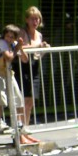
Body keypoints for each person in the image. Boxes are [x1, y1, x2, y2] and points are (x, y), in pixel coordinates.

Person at [0, 24, 36, 143]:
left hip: (8, 73)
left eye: (12, 37)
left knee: (18, 97)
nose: (9, 39)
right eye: (7, 36)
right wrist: (17, 48)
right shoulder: (1, 43)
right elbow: (9, 57)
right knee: (0, 95)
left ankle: (19, 124)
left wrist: (20, 47)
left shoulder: (13, 44)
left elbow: (25, 59)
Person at [15, 7, 49, 141]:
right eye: (32, 19)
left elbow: (38, 53)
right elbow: (19, 48)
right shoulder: (22, 33)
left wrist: (43, 48)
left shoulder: (39, 35)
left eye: (37, 19)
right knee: (21, 102)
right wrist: (36, 47)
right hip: (22, 67)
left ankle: (26, 130)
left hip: (34, 67)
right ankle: (19, 134)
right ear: (26, 20)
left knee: (30, 102)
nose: (35, 21)